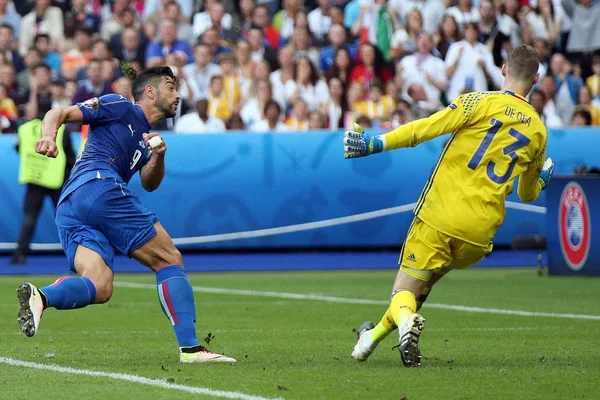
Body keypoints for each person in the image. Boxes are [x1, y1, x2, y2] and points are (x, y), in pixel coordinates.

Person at [343, 45, 555, 367]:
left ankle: (406, 324)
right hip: (481, 234)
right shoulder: (538, 130)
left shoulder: (480, 102)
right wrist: (543, 179)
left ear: (502, 70)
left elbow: (424, 129)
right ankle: (368, 340)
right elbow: (528, 194)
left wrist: (376, 143)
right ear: (536, 79)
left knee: (403, 290)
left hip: (441, 215)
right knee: (420, 289)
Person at [16, 64, 236, 364]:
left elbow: (149, 182)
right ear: (150, 91)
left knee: (100, 285)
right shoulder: (118, 105)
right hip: (98, 185)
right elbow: (59, 113)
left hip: (71, 205)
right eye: (171, 87)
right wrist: (49, 137)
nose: (177, 95)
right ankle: (191, 348)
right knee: (168, 258)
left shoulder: (146, 137)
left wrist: (158, 155)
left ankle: (41, 297)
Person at [11, 101, 76, 265]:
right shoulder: (61, 129)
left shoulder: (24, 128)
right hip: (56, 180)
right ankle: (76, 252)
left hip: (34, 179)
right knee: (65, 218)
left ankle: (19, 255)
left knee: (29, 218)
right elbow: (69, 156)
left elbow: (19, 148)